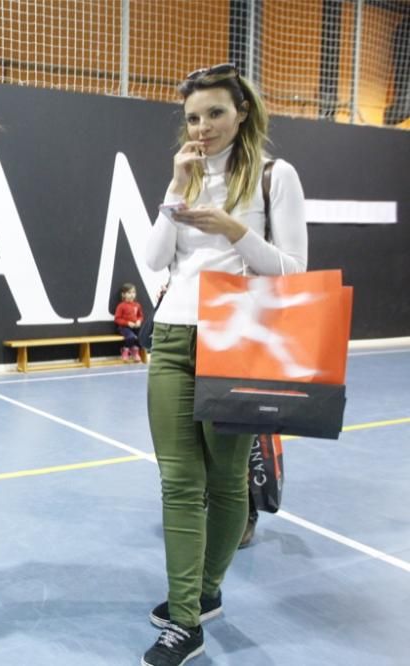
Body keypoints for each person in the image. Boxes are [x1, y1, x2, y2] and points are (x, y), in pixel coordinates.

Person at [141, 63, 308, 666]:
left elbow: (293, 270)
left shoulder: (274, 175)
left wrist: (235, 229)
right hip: (172, 336)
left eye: (214, 113)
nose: (203, 126)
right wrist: (175, 188)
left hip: (236, 336)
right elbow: (156, 258)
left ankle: (203, 590)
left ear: (241, 112)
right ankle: (186, 618)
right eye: (192, 116)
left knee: (225, 480)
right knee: (177, 481)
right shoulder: (185, 174)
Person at [114, 282, 144, 362]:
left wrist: (139, 321)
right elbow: (117, 319)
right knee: (131, 337)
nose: (132, 295)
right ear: (123, 294)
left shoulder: (137, 305)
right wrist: (127, 323)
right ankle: (125, 350)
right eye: (129, 293)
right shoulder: (121, 306)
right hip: (124, 328)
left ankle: (135, 351)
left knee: (141, 337)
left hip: (135, 327)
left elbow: (140, 316)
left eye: (133, 292)